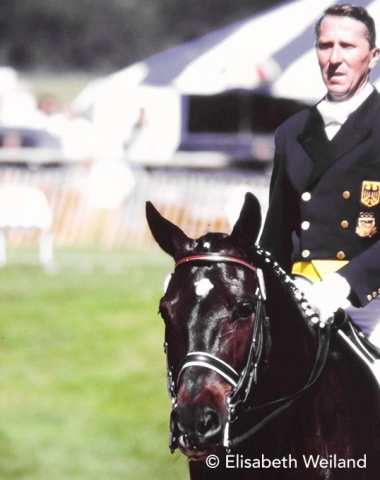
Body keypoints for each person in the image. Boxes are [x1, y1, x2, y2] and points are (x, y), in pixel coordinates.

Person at [260, 4, 380, 348]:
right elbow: (277, 234)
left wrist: (345, 284)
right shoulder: (291, 132)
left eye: (348, 46)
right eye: (326, 46)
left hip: (369, 300)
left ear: (372, 57)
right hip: (300, 292)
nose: (335, 58)